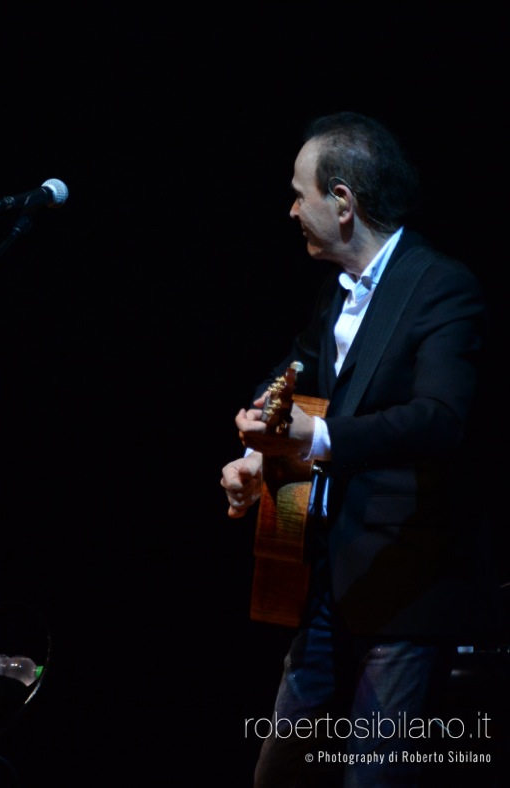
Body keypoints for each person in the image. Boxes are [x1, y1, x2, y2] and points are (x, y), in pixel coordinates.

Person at [220, 112, 499, 786]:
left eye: (299, 192)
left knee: (372, 779)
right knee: (278, 773)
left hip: (403, 588)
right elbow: (299, 370)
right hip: (325, 582)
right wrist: (259, 444)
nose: (291, 209)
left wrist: (314, 438)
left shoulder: (440, 286)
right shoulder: (336, 290)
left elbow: (438, 420)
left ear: (341, 202)